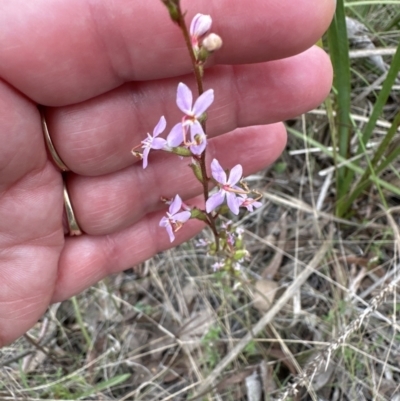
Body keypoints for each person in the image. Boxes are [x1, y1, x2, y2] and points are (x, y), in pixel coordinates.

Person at [0, 0, 335, 347]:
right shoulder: (183, 134)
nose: (190, 124)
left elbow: (207, 160)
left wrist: (206, 171)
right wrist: (176, 148)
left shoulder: (204, 153)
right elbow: (192, 145)